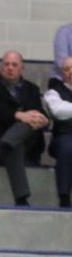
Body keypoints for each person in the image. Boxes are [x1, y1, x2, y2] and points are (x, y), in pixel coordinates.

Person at [0, 51, 48, 207]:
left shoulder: (32, 89)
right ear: (1, 67)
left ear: (22, 68)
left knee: (29, 123)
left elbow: (39, 114)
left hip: (8, 148)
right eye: (6, 64)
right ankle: (21, 199)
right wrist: (18, 115)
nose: (10, 68)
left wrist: (40, 119)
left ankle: (3, 147)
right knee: (16, 143)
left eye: (14, 65)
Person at [47, 57, 72, 208]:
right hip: (63, 139)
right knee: (68, 146)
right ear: (62, 73)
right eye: (67, 69)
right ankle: (64, 197)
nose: (71, 72)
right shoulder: (53, 92)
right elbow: (58, 110)